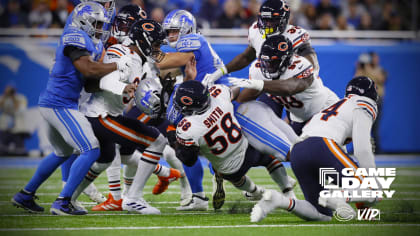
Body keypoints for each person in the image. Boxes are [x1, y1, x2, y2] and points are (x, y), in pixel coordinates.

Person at [11, 2, 132, 215]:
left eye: (101, 24)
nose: (99, 28)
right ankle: (63, 201)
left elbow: (90, 82)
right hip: (59, 103)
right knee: (91, 149)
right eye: (96, 23)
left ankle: (25, 195)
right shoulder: (74, 35)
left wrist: (119, 86)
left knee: (62, 152)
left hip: (59, 103)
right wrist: (117, 66)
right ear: (84, 20)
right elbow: (87, 68)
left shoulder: (95, 44)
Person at [73, 19, 175, 215]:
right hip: (101, 114)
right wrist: (122, 88)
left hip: (107, 113)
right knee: (157, 141)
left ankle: (67, 198)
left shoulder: (140, 61)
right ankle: (133, 199)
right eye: (154, 44)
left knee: (105, 159)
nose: (156, 49)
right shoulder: (122, 53)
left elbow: (141, 94)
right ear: (143, 41)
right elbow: (101, 81)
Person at [251, 76, 379, 222]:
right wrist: (370, 180)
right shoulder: (364, 104)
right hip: (322, 145)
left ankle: (279, 200)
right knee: (373, 189)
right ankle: (336, 197)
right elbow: (362, 149)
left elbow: (338, 158)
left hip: (298, 149)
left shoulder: (337, 106)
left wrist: (364, 208)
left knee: (322, 215)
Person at [174, 80, 296, 206]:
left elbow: (189, 160)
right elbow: (235, 90)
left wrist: (177, 142)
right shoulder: (219, 94)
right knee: (269, 159)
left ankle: (255, 192)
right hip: (248, 147)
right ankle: (288, 191)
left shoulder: (187, 128)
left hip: (230, 167)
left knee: (234, 178)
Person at [158, 9, 231, 211]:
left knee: (186, 141)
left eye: (174, 31)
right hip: (202, 97)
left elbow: (167, 62)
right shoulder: (193, 42)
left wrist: (148, 51)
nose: (171, 35)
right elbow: (167, 69)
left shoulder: (192, 40)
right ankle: (199, 196)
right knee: (183, 143)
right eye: (169, 31)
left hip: (214, 97)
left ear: (187, 29)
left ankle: (243, 185)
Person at [230, 35, 339, 136]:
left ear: (287, 60)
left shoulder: (301, 65)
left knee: (321, 149)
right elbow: (247, 96)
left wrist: (258, 83)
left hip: (325, 109)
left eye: (273, 62)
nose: (268, 66)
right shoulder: (257, 69)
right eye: (265, 61)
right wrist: (230, 108)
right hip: (298, 117)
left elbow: (289, 88)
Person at [354, 52, 386, 153]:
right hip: (366, 100)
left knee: (375, 127)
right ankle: (363, 149)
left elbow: (381, 79)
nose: (376, 60)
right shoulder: (362, 70)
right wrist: (360, 68)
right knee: (363, 126)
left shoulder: (380, 70)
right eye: (374, 58)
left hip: (377, 100)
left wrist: (368, 69)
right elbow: (356, 79)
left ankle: (377, 148)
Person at [0, 85, 28, 156]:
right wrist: (5, 97)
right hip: (4, 128)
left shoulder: (21, 98)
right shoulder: (3, 98)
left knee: (20, 151)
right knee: (2, 150)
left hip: (17, 129)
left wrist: (14, 99)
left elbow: (21, 111)